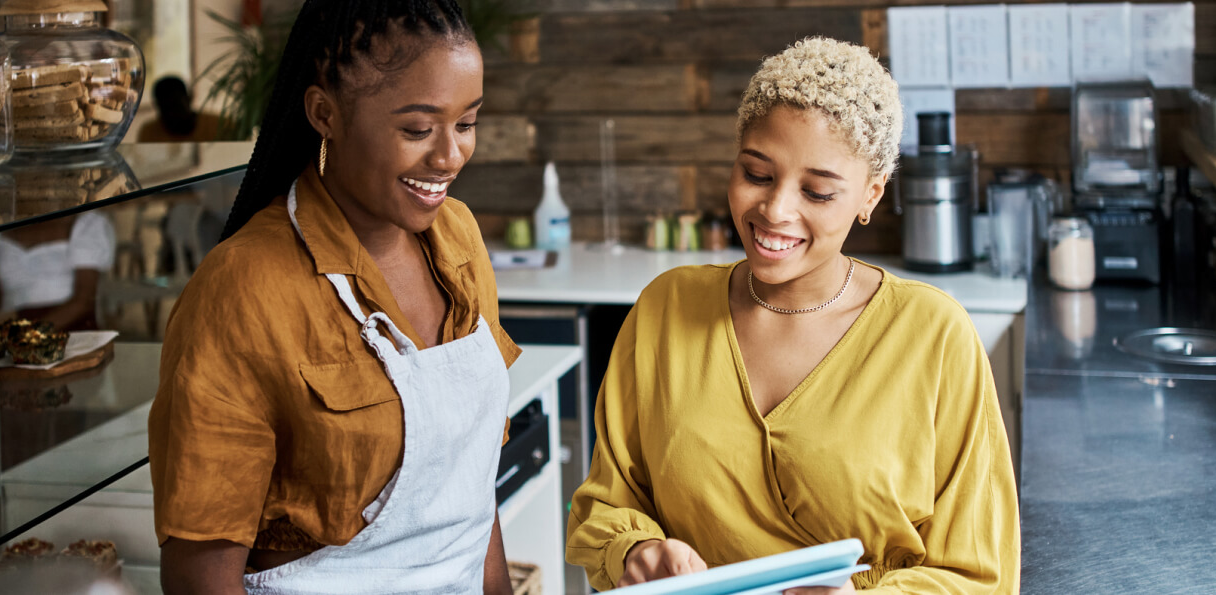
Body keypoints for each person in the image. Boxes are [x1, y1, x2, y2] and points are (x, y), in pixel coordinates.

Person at [566, 37, 1020, 594]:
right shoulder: (666, 309)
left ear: (870, 196)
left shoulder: (933, 335)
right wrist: (635, 551)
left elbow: (979, 575)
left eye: (818, 191)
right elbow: (606, 504)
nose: (776, 210)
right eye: (757, 175)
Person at [147, 1, 521, 593]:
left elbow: (471, 487)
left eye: (467, 123)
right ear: (325, 113)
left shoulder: (460, 238)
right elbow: (199, 572)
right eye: (418, 129)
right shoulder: (243, 288)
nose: (450, 156)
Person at [136, 76, 223, 143]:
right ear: (157, 107)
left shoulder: (218, 125)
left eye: (176, 106)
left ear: (189, 99)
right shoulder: (149, 133)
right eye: (166, 108)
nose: (172, 114)